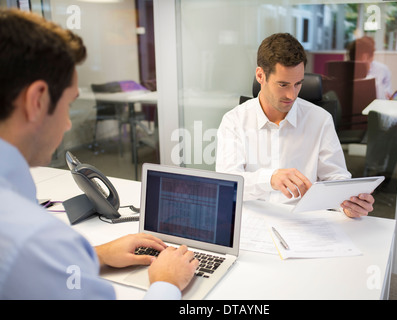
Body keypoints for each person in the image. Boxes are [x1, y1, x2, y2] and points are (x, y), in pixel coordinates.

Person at [0, 9, 198, 300]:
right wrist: (166, 283)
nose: (68, 123)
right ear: (38, 100)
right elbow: (31, 257)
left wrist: (96, 255)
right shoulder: (33, 240)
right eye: (69, 104)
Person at [216, 33, 374, 218]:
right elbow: (228, 183)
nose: (292, 95)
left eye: (298, 84)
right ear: (260, 75)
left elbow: (336, 178)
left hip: (303, 220)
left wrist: (348, 204)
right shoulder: (234, 121)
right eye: (283, 84)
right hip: (252, 219)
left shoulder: (320, 119)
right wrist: (270, 179)